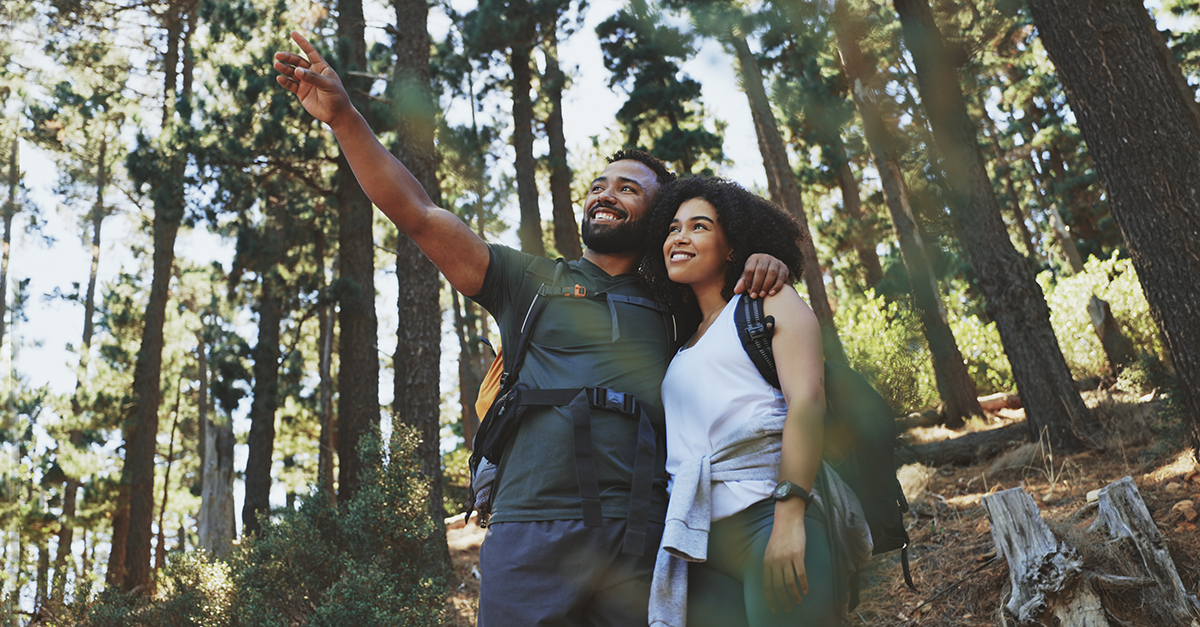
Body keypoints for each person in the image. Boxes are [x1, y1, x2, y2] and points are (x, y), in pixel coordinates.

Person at [271, 31, 791, 626]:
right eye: (599, 185)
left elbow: (744, 334)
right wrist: (343, 118)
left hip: (640, 530)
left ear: (659, 216)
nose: (605, 195)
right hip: (530, 524)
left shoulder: (676, 299)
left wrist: (761, 260)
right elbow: (417, 213)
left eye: (628, 188)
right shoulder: (528, 280)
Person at [640, 177, 840, 627]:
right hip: (700, 545)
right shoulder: (683, 340)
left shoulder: (766, 301)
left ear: (732, 247)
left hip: (767, 518)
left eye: (699, 226)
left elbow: (807, 401)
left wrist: (789, 519)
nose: (680, 237)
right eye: (673, 228)